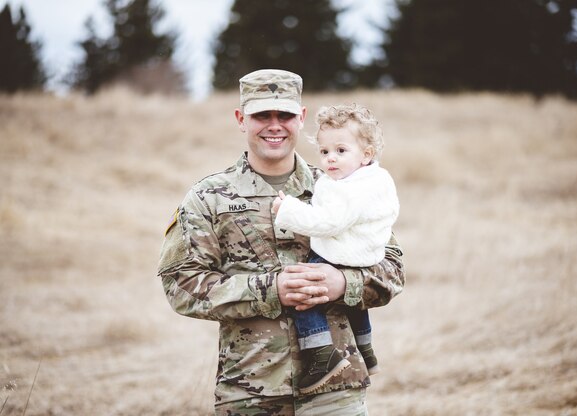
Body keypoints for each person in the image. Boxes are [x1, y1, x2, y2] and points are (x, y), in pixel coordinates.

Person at [157, 69, 404, 416]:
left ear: (300, 119)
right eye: (262, 115)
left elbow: (392, 268)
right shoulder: (208, 198)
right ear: (241, 119)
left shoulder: (344, 185)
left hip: (336, 393)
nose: (274, 125)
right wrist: (270, 290)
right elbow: (181, 285)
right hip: (250, 390)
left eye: (285, 114)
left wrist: (343, 283)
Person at [272, 103, 399, 395]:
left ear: (366, 154)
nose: (330, 159)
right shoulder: (377, 178)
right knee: (355, 301)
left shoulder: (345, 188)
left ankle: (320, 352)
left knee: (304, 287)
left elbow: (327, 221)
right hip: (365, 254)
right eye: (325, 152)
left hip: (341, 252)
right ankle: (366, 348)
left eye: (341, 151)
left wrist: (287, 209)